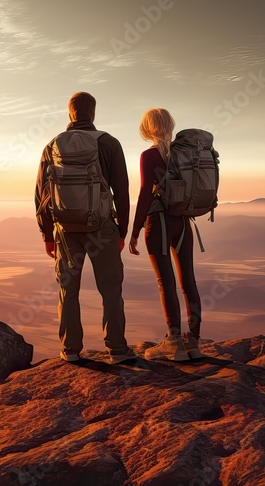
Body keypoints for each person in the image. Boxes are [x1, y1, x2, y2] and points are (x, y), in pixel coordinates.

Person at [35, 92, 135, 364]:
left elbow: (40, 194)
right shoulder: (109, 143)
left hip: (65, 230)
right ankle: (117, 349)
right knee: (111, 289)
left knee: (68, 290)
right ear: (93, 114)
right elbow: (122, 191)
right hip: (102, 228)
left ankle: (70, 350)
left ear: (70, 114)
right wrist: (122, 231)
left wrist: (47, 234)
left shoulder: (52, 145)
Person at [129, 108, 204, 361]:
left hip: (159, 222)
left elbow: (144, 193)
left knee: (166, 282)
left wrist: (135, 230)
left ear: (148, 128)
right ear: (170, 125)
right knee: (188, 281)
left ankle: (173, 341)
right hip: (183, 221)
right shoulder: (186, 153)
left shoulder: (149, 156)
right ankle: (192, 341)